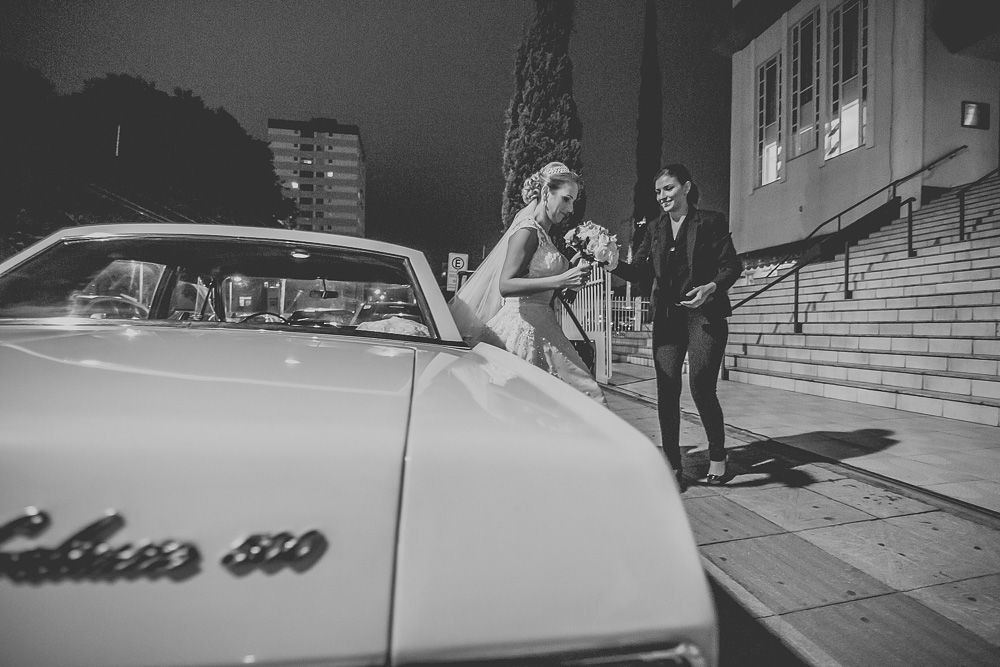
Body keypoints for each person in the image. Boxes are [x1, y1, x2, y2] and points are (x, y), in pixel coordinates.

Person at [612, 164, 742, 488]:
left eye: (668, 188)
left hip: (704, 315)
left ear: (686, 187)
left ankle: (718, 455)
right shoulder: (654, 228)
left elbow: (731, 266)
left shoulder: (710, 221)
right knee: (667, 389)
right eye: (658, 191)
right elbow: (639, 271)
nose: (662, 196)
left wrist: (711, 287)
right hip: (668, 318)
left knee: (701, 386)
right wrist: (611, 263)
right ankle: (672, 464)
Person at [449, 162, 605, 403]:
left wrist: (573, 274)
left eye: (573, 201)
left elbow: (540, 280)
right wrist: (560, 279)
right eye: (566, 199)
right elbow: (506, 284)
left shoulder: (544, 234)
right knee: (579, 396)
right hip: (523, 328)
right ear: (546, 193)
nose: (571, 209)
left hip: (545, 324)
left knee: (572, 397)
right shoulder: (527, 230)